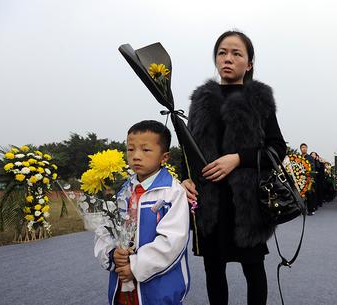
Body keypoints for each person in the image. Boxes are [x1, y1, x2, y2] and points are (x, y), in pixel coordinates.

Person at [181, 30, 286, 305]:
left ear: (249, 63)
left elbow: (277, 148)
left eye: (236, 53)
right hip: (209, 200)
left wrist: (239, 158)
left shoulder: (259, 99)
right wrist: (185, 179)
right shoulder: (201, 100)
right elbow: (188, 149)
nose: (228, 58)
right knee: (213, 269)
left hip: (247, 202)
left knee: (254, 267)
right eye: (222, 52)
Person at [94, 120, 190, 305]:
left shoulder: (172, 192)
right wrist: (112, 253)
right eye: (130, 149)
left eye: (146, 150)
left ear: (164, 157)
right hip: (123, 285)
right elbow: (105, 230)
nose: (136, 156)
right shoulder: (122, 191)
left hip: (159, 287)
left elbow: (173, 241)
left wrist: (136, 266)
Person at [301, 143, 316, 215]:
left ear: (307, 149)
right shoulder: (298, 157)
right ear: (300, 149)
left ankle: (311, 210)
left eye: (305, 147)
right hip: (300, 179)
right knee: (301, 195)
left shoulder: (310, 158)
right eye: (302, 147)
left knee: (309, 194)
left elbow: (313, 168)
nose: (304, 149)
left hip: (308, 179)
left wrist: (310, 176)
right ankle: (302, 210)